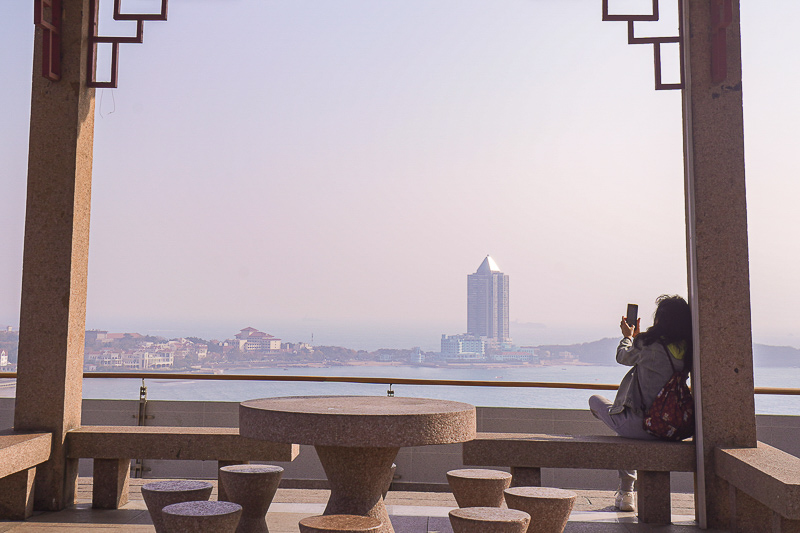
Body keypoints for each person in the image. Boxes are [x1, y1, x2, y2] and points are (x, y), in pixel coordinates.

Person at [588, 294, 692, 512]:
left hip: (642, 426)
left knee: (597, 402)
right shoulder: (689, 349)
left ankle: (626, 492)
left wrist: (628, 336)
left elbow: (622, 357)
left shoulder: (647, 344)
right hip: (676, 428)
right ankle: (626, 492)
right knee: (625, 423)